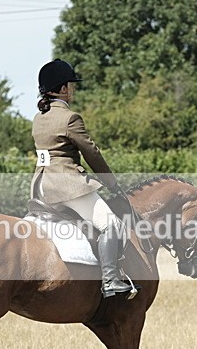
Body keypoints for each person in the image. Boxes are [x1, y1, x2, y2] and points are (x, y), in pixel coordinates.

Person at [31, 58, 135, 298]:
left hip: (41, 186)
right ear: (63, 88)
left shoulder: (39, 119)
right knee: (111, 224)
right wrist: (111, 182)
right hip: (66, 186)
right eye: (71, 85)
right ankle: (110, 280)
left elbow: (46, 156)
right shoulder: (70, 118)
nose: (73, 89)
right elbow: (92, 153)